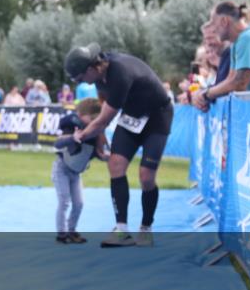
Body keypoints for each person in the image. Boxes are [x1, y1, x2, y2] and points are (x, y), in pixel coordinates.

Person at [64, 42, 172, 248]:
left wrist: (80, 136)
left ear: (89, 69)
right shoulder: (98, 76)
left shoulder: (119, 72)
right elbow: (102, 107)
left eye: (79, 79)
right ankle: (122, 230)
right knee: (115, 165)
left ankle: (146, 229)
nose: (80, 83)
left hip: (157, 116)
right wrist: (101, 138)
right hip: (132, 116)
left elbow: (103, 120)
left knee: (146, 176)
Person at [52, 98, 106, 244]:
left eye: (97, 118)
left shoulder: (95, 133)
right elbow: (57, 143)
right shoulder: (74, 127)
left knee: (79, 203)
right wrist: (72, 137)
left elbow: (93, 153)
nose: (94, 121)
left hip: (76, 172)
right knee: (64, 201)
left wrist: (104, 157)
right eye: (92, 118)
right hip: (62, 168)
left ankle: (72, 230)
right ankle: (61, 234)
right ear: (81, 115)